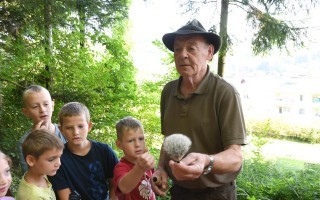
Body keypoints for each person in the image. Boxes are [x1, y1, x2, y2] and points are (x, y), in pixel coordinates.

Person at [151, 19, 247, 200]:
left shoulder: (225, 92)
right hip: (179, 192)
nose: (182, 54)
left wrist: (206, 161)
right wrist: (161, 168)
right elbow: (168, 140)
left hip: (217, 194)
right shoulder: (168, 91)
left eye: (191, 48)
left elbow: (236, 158)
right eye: (177, 49)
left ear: (209, 52)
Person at [48, 102, 119, 200]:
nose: (76, 132)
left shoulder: (104, 151)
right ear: (61, 130)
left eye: (80, 126)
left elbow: (115, 185)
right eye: (69, 128)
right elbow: (64, 196)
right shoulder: (58, 159)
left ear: (89, 126)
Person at [17, 85, 67, 172]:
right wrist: (36, 140)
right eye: (35, 107)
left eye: (46, 104)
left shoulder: (66, 132)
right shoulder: (24, 142)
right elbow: (29, 174)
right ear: (26, 112)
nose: (42, 110)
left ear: (52, 105)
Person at [113, 116, 156, 200]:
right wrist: (140, 167)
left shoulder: (145, 163)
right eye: (131, 140)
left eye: (141, 139)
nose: (137, 144)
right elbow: (124, 187)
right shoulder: (121, 167)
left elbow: (154, 183)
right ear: (119, 145)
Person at [16, 129, 64, 200]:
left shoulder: (40, 173)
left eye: (59, 157)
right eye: (51, 159)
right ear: (31, 160)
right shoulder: (33, 196)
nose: (59, 163)